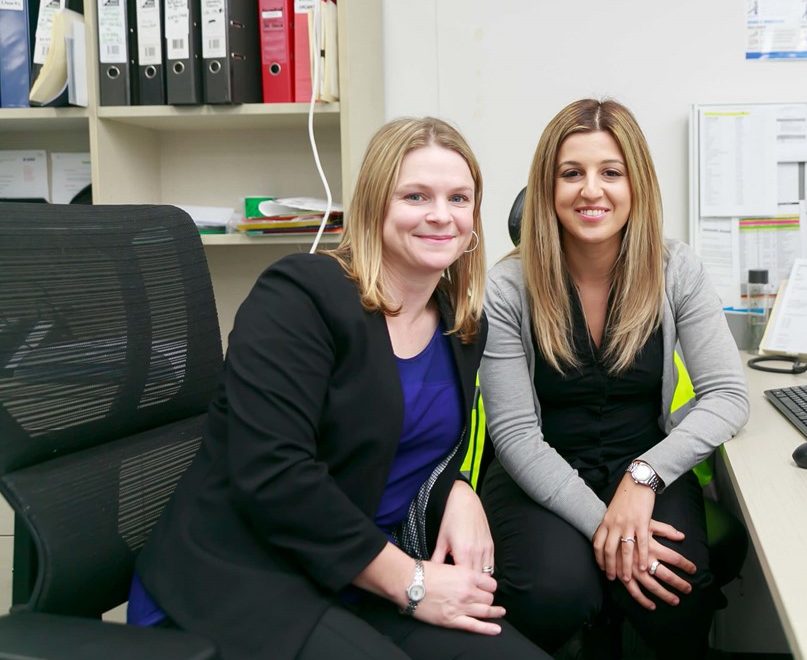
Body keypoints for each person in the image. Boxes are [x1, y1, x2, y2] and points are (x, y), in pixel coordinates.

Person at [128, 118, 549, 660]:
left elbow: (415, 446)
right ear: (375, 205)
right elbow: (274, 473)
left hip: (358, 571)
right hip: (247, 572)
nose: (441, 215)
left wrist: (458, 488)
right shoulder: (300, 297)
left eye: (459, 198)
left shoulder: (460, 323)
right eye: (415, 195)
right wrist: (411, 582)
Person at [479, 98, 749, 658]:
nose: (591, 190)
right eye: (571, 173)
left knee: (674, 588)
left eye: (611, 172)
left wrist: (643, 478)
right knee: (553, 593)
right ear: (547, 188)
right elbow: (515, 436)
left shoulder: (678, 270)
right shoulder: (507, 288)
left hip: (642, 463)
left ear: (637, 185)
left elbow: (727, 396)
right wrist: (612, 529)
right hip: (539, 471)